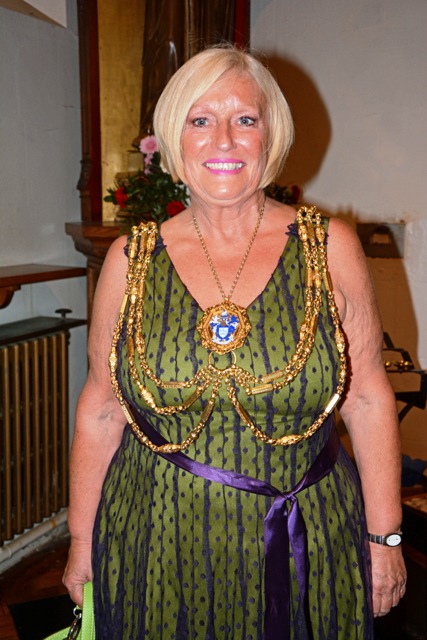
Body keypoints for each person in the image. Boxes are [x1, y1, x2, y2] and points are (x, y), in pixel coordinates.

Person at [63, 45, 407, 639]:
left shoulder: (330, 248)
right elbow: (100, 410)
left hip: (304, 538)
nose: (223, 139)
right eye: (200, 120)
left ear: (270, 135)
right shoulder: (129, 260)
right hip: (156, 540)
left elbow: (369, 398)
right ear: (174, 138)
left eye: (245, 119)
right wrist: (79, 541)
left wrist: (385, 537)